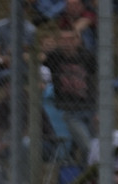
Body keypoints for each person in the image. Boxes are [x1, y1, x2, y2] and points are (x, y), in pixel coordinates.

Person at [42, 28, 97, 164]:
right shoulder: (55, 57)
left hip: (90, 109)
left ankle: (86, 179)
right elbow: (37, 59)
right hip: (70, 111)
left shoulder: (87, 57)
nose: (67, 43)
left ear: (78, 41)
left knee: (94, 149)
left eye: (71, 39)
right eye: (63, 40)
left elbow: (96, 81)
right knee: (89, 147)